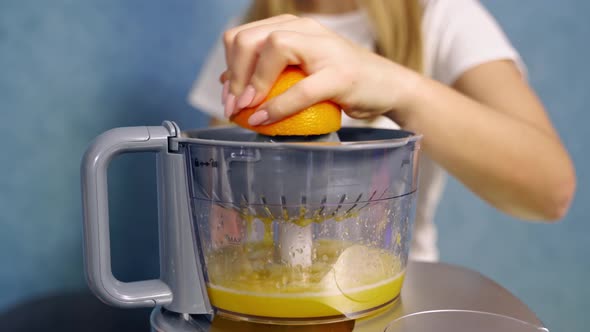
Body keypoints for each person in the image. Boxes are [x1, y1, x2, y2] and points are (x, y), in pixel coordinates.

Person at [188, 0, 576, 261]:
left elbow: (550, 191)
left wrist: (398, 88)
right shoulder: (249, 31)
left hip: (396, 292)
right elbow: (221, 201)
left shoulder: (442, 15)